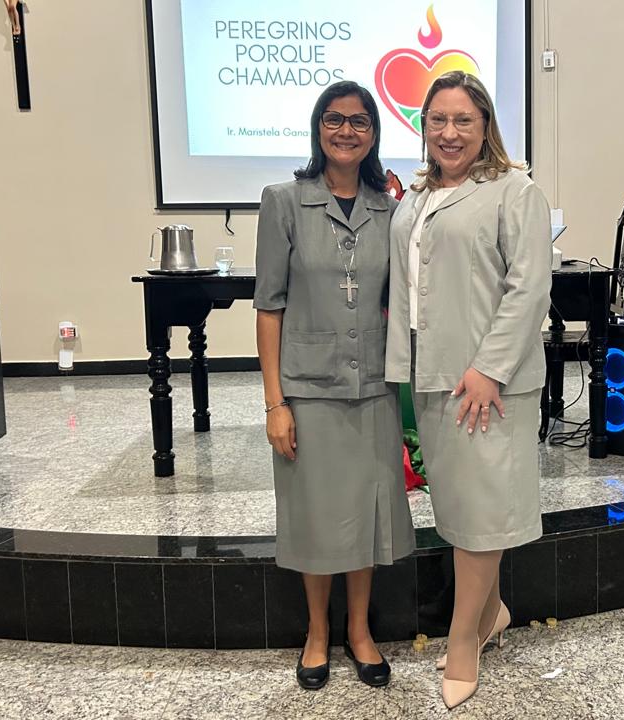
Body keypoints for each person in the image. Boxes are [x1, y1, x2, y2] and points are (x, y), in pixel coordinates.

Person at [385, 70, 551, 710]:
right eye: (438, 120)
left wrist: (490, 367)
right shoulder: (418, 195)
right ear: (423, 125)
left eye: (463, 121)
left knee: (482, 515)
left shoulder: (514, 191)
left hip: (487, 383)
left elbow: (529, 287)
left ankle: (462, 641)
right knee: (461, 509)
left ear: (486, 127)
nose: (449, 133)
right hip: (432, 372)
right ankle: (492, 611)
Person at [253, 81, 415, 692]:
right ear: (318, 128)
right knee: (316, 515)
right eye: (334, 119)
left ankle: (360, 630)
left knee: (367, 513)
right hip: (308, 387)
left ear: (374, 133)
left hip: (371, 384)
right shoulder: (284, 202)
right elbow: (269, 307)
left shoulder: (388, 209)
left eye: (360, 121)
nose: (346, 130)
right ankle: (318, 631)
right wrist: (275, 403)